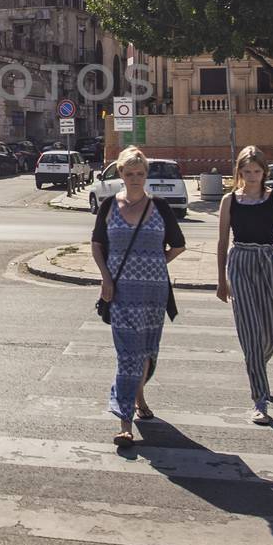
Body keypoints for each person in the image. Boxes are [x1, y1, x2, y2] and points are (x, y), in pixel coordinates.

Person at [93, 145, 186, 447]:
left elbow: (178, 245)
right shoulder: (108, 207)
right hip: (120, 293)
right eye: (129, 173)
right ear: (120, 174)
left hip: (154, 293)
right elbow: (96, 244)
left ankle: (139, 395)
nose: (135, 179)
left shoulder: (159, 207)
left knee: (147, 352)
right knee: (127, 356)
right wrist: (107, 278)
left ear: (146, 175)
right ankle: (124, 422)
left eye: (140, 173)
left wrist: (155, 264)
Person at [215, 145, 273, 425]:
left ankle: (258, 364)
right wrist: (220, 281)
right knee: (250, 333)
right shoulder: (230, 200)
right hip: (240, 261)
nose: (252, 176)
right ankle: (260, 399)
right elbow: (222, 241)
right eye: (246, 171)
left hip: (269, 261)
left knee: (271, 335)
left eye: (256, 171)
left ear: (265, 171)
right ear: (239, 171)